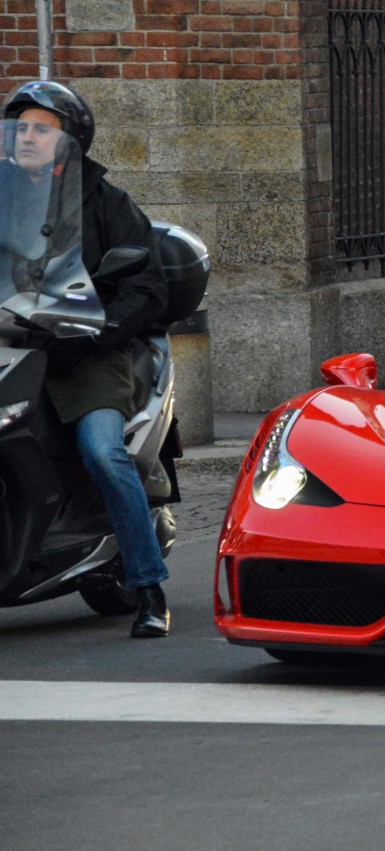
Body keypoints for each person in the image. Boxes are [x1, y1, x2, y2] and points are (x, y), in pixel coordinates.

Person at [3, 81, 171, 638]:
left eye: (41, 128)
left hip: (83, 354)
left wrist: (101, 330)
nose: (27, 136)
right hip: (11, 347)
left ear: (71, 139)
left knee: (102, 453)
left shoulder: (104, 201)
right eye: (20, 126)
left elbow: (146, 285)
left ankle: (149, 588)